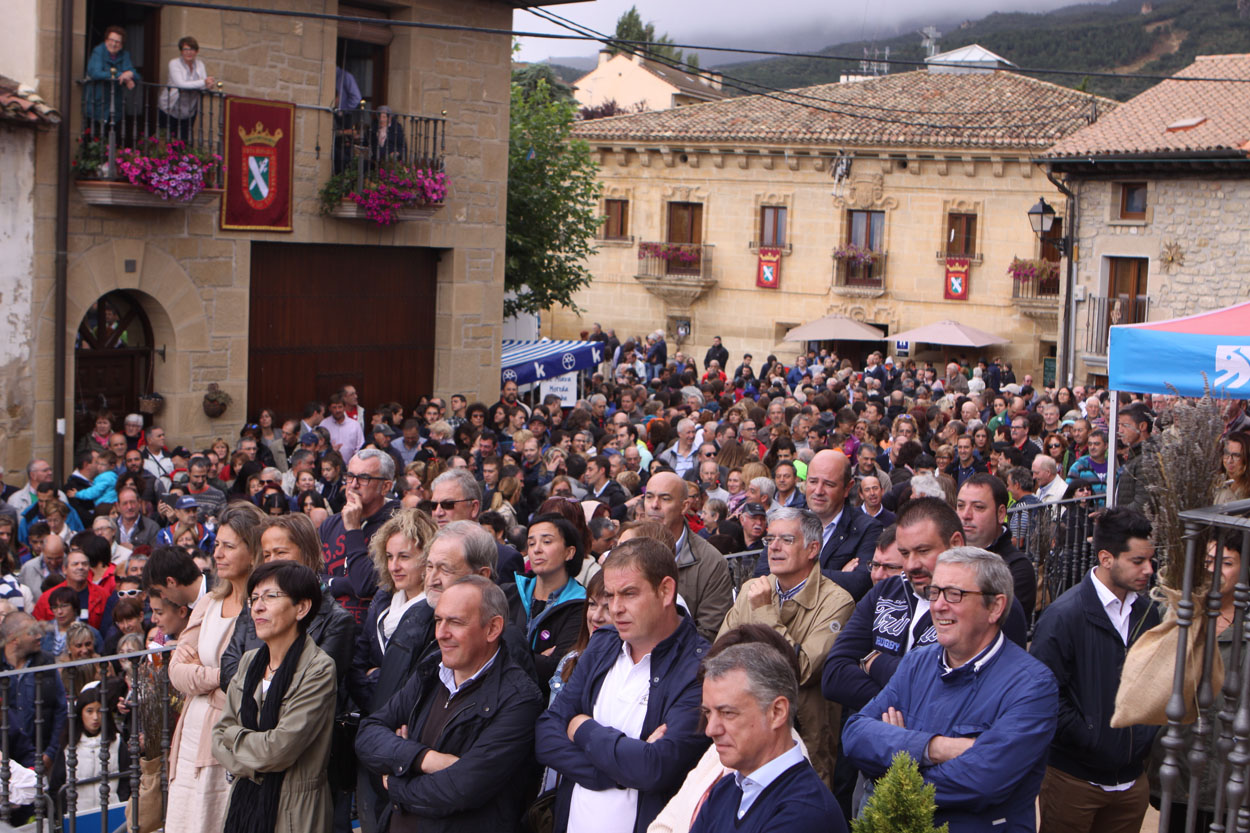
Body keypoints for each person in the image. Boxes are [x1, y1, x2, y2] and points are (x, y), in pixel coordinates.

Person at [842, 547, 1059, 832]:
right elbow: (854, 735)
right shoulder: (918, 662)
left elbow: (982, 782)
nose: (938, 606)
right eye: (934, 592)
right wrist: (934, 748)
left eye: (954, 594)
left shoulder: (1032, 685)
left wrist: (892, 757)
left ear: (995, 607)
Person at [535, 537, 710, 833]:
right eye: (610, 595)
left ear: (666, 591)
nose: (615, 608)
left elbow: (657, 768)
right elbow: (546, 735)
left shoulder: (701, 667)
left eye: (629, 594)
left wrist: (581, 727)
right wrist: (619, 773)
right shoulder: (602, 644)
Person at [356, 575, 544, 833]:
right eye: (438, 620)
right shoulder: (431, 670)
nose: (441, 634)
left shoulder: (520, 699)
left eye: (455, 622)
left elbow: (461, 789)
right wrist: (424, 758)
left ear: (492, 628)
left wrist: (396, 782)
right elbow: (367, 734)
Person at [822, 497, 1029, 715]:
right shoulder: (884, 591)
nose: (911, 565)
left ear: (955, 543)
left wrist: (875, 662)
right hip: (867, 733)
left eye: (923, 551)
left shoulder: (985, 603)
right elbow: (834, 676)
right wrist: (901, 708)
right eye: (904, 553)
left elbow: (965, 693)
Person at [1030, 507, 1160, 833]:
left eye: (1150, 560)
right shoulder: (1063, 616)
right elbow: (1043, 696)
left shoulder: (1149, 614)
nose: (1149, 569)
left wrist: (1144, 736)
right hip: (1073, 781)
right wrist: (1091, 737)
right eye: (1138, 561)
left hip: (1131, 782)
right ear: (1106, 558)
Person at [718, 508, 854, 788]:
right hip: (744, 728)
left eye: (786, 540)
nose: (774, 547)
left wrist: (764, 611)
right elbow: (720, 657)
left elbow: (802, 670)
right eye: (770, 540)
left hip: (804, 737)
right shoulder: (752, 589)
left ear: (813, 548)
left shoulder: (838, 602)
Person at [213, 561, 337, 833]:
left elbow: (279, 749)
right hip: (244, 806)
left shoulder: (318, 668)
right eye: (254, 598)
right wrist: (252, 757)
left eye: (270, 596)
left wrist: (235, 739)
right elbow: (217, 736)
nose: (258, 607)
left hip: (294, 813)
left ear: (301, 608)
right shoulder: (249, 662)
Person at [165, 502, 263, 833]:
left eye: (229, 546)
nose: (217, 553)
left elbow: (246, 680)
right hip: (190, 733)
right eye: (217, 544)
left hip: (226, 738)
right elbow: (176, 671)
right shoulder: (208, 603)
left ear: (253, 552)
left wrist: (204, 678)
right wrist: (218, 676)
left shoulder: (260, 607)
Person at [690, 642, 847, 833]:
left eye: (727, 713)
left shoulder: (806, 812)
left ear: (777, 712)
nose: (710, 729)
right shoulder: (725, 789)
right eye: (707, 712)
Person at [219, 514, 354, 691]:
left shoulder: (337, 621)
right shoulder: (254, 605)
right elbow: (228, 672)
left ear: (307, 553)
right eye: (267, 555)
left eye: (281, 553)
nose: (272, 562)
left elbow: (309, 685)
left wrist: (255, 686)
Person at [753, 450, 881, 602]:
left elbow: (859, 583)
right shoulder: (787, 521)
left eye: (829, 484)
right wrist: (836, 575)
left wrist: (789, 572)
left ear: (847, 488)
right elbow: (762, 576)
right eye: (813, 482)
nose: (818, 491)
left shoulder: (867, 528)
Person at [642, 472, 733, 641]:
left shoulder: (711, 562)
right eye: (649, 497)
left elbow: (710, 633)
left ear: (684, 506)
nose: (654, 505)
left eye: (665, 498)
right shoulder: (625, 549)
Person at [319, 449, 399, 626]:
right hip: (327, 628)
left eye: (364, 478)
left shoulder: (397, 526)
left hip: (369, 630)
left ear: (385, 486)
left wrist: (353, 529)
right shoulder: (330, 524)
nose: (353, 485)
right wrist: (345, 584)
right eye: (350, 476)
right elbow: (311, 580)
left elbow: (365, 585)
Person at [514, 514, 588, 685]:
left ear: (569, 552)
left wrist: (509, 654)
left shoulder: (580, 604)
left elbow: (558, 668)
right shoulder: (511, 592)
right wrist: (537, 659)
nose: (537, 549)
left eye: (546, 542)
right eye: (531, 543)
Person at [956, 474, 1037, 618]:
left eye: (978, 507)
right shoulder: (945, 555)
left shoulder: (1017, 568)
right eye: (961, 506)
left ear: (1000, 514)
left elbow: (1002, 623)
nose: (966, 515)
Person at [428, 468, 525, 585]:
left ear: (474, 508)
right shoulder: (426, 552)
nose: (438, 512)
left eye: (448, 504)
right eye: (433, 505)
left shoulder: (505, 558)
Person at [0, 612, 67, 772]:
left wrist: (51, 753)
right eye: (31, 632)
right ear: (13, 638)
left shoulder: (46, 663)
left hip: (41, 756)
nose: (39, 636)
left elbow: (61, 709)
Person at [158, 36, 215, 143]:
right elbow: (181, 84)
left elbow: (203, 85)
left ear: (196, 51)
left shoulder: (200, 64)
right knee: (166, 141)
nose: (189, 52)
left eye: (192, 49)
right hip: (170, 108)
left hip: (189, 109)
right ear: (181, 51)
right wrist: (204, 82)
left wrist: (208, 85)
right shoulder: (174, 63)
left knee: (184, 142)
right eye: (185, 49)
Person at [84, 26, 140, 134]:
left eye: (117, 42)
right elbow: (95, 73)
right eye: (111, 40)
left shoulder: (124, 55)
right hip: (97, 102)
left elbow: (135, 75)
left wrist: (130, 74)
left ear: (121, 45)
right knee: (95, 136)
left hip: (115, 104)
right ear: (106, 40)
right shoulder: (98, 51)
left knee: (115, 136)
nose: (114, 44)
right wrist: (120, 74)